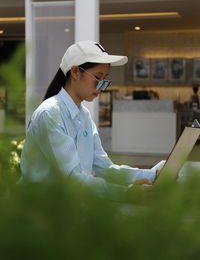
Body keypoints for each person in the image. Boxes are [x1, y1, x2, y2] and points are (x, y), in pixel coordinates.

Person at [21, 40, 157, 201]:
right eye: (98, 77)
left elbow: (104, 167)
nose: (101, 86)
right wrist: (125, 193)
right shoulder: (51, 114)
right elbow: (72, 179)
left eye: (105, 79)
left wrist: (154, 174)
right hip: (39, 210)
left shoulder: (83, 115)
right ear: (75, 72)